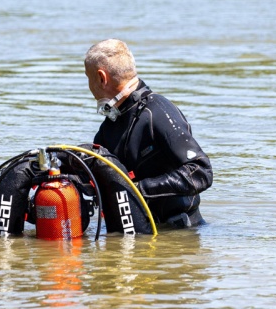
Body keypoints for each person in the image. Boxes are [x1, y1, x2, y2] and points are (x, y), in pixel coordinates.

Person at [84, 39, 212, 228]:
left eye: (88, 78)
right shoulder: (109, 128)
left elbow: (200, 171)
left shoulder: (158, 111)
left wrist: (137, 190)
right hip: (136, 231)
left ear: (102, 78)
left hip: (179, 238)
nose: (89, 86)